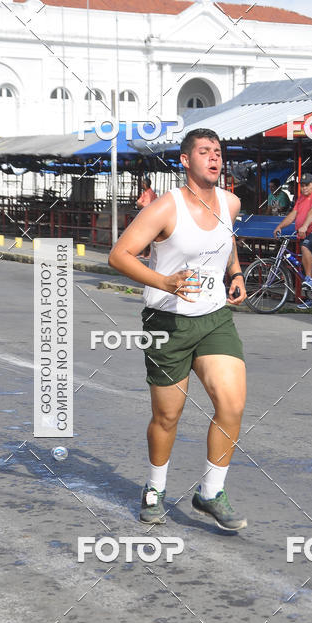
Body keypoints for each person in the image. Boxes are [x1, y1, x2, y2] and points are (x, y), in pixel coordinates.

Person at [108, 128, 248, 531]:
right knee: (168, 416)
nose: (214, 157)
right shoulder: (165, 208)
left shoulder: (231, 203)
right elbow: (120, 255)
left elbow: (227, 240)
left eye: (218, 151)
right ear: (185, 161)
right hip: (166, 321)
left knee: (232, 404)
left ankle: (210, 492)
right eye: (204, 151)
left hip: (214, 318)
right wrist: (163, 282)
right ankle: (154, 488)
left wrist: (234, 272)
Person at [272, 173, 312, 310]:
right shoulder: (301, 198)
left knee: (305, 247)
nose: (304, 188)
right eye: (302, 186)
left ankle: (308, 279)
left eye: (306, 185)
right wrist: (280, 226)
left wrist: (305, 225)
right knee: (311, 265)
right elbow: (293, 214)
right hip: (305, 234)